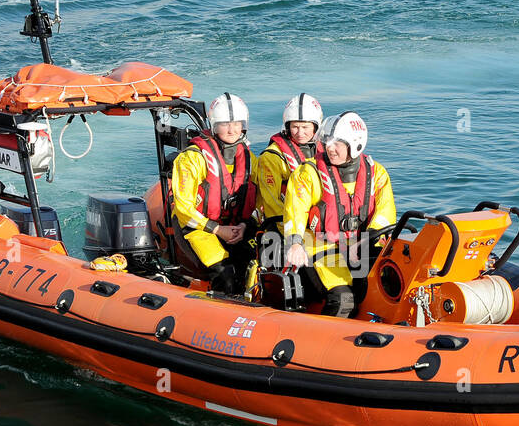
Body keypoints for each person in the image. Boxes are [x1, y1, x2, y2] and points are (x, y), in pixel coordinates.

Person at [282, 111, 396, 317]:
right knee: (344, 299)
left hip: (361, 244)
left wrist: (366, 240)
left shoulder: (377, 173)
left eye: (337, 144)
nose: (329, 148)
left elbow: (385, 213)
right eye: (327, 142)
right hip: (320, 245)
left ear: (355, 145)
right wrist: (296, 242)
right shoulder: (308, 173)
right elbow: (295, 212)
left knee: (389, 282)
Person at [169, 92, 259, 295]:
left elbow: (260, 203)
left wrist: (245, 226)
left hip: (235, 227)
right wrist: (217, 230)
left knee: (254, 264)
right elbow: (183, 208)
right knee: (225, 272)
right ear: (214, 125)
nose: (232, 129)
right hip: (197, 227)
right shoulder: (192, 158)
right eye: (226, 124)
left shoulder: (249, 158)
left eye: (237, 123)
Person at [255, 93, 324, 266]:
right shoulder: (272, 157)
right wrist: (298, 232)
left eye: (305, 127)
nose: (300, 133)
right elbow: (272, 204)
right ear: (287, 126)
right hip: (283, 225)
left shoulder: (326, 151)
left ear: (316, 127)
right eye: (295, 127)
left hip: (318, 223)